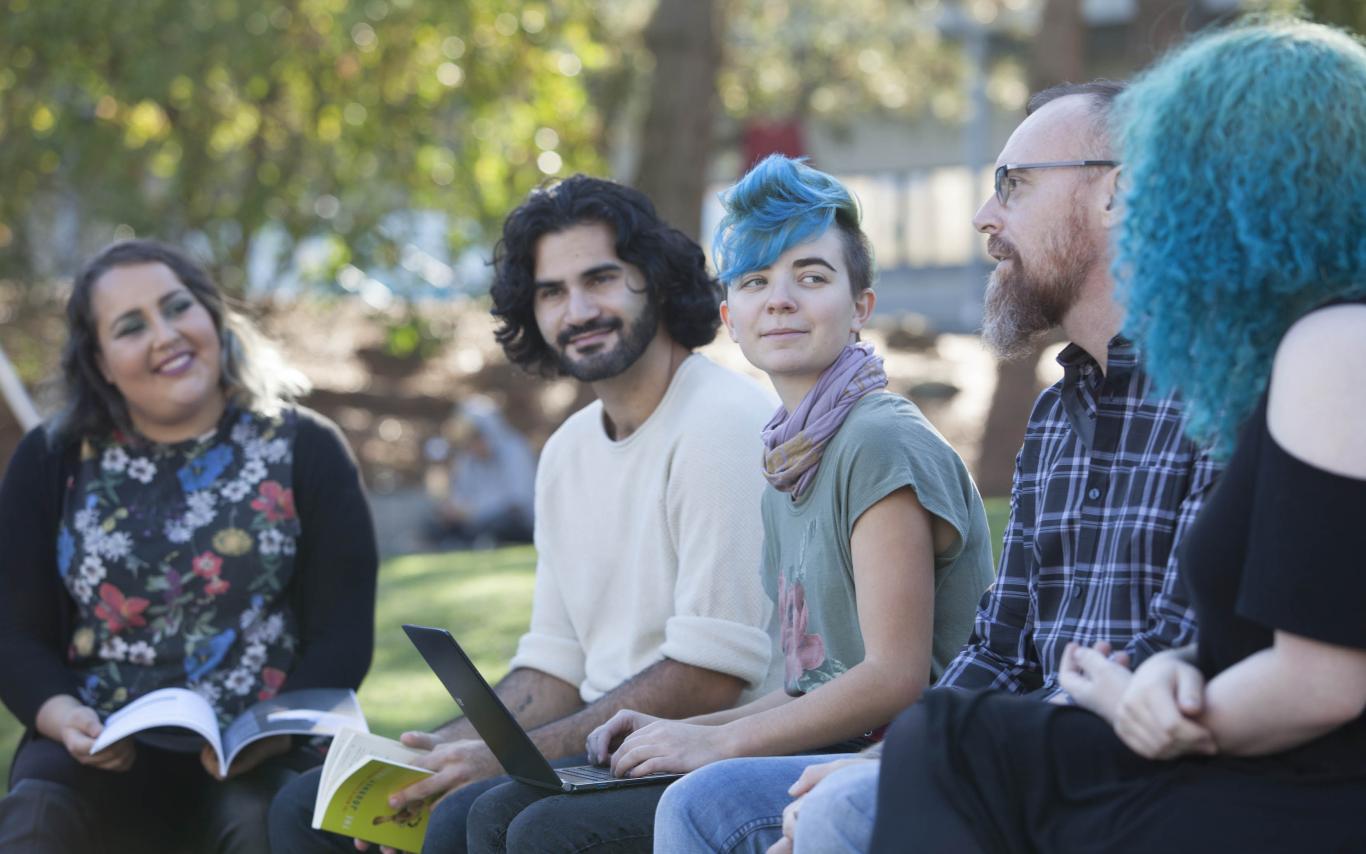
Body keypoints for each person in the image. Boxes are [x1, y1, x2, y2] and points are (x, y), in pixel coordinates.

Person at [659, 80, 1222, 854]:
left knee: (834, 812)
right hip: (1003, 753)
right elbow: (996, 650)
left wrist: (902, 767)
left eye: (1013, 187)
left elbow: (1169, 654)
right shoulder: (1060, 418)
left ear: (1116, 194)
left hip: (1113, 775)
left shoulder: (1215, 402)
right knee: (707, 806)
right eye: (754, 281)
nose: (985, 218)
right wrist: (881, 761)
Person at [871, 18, 1366, 853]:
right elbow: (1247, 631)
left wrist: (1169, 706)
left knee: (949, 749)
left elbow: (1326, 679)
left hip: (1296, 783)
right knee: (944, 744)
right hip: (1234, 753)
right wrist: (1174, 676)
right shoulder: (1277, 357)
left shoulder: (1335, 342)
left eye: (1167, 173)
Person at [462, 156, 996, 853]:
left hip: (915, 760)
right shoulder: (789, 457)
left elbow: (892, 678)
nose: (780, 299)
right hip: (843, 742)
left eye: (811, 276)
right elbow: (818, 683)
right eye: (754, 282)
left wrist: (722, 742)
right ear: (730, 317)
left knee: (565, 827)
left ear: (861, 306)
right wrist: (689, 734)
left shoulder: (878, 441)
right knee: (491, 815)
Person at [269, 175, 779, 853]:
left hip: (698, 754)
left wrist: (502, 759)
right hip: (593, 751)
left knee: (468, 813)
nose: (579, 309)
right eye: (552, 292)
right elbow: (552, 669)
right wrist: (438, 750)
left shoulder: (722, 423)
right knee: (315, 802)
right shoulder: (568, 450)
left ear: (653, 282)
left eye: (601, 279)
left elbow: (710, 676)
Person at [0, 239, 379, 853]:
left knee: (261, 827)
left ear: (212, 316)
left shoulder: (306, 447)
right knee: (34, 822)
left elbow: (341, 636)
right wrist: (60, 716)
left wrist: (271, 731)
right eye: (130, 327)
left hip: (262, 743)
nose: (165, 335)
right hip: (98, 743)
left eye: (178, 308)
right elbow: (15, 633)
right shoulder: (50, 459)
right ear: (98, 361)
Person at [424, 396, 535, 549]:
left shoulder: (515, 450)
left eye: (475, 438)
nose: (471, 445)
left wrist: (476, 511)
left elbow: (518, 501)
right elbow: (462, 494)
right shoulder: (469, 459)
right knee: (434, 525)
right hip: (476, 521)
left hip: (513, 521)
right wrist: (453, 509)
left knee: (500, 525)